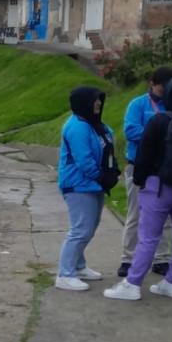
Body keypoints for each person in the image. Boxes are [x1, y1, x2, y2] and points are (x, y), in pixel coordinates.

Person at [106, 77, 172, 300]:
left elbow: (143, 155)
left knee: (148, 237)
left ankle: (133, 283)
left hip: (156, 186)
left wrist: (139, 180)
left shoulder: (158, 121)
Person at [56, 87, 119, 291]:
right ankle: (65, 274)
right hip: (78, 185)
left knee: (88, 228)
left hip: (93, 184)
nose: (98, 104)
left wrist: (111, 172)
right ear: (83, 103)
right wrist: (102, 177)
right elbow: (84, 160)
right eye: (94, 100)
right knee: (81, 230)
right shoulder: (77, 127)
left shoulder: (95, 125)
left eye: (99, 100)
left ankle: (79, 266)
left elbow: (107, 149)